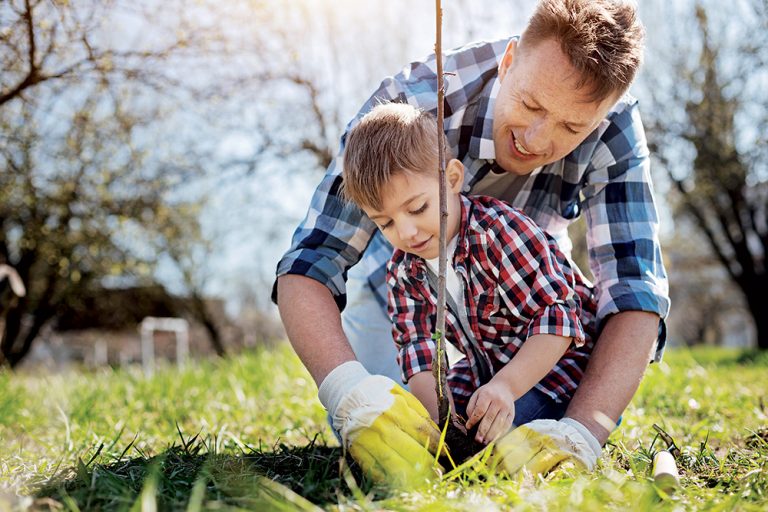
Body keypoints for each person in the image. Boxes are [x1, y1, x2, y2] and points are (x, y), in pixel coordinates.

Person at [274, 0, 669, 485]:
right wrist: (347, 390)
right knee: (393, 446)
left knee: (525, 432)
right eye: (530, 104)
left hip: (532, 301)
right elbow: (312, 260)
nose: (535, 138)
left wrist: (583, 431)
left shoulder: (615, 131)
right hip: (403, 293)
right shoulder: (409, 105)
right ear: (508, 63)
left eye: (571, 127)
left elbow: (634, 291)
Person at [341, 102, 598, 448]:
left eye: (418, 208)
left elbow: (558, 319)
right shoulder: (404, 270)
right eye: (384, 222)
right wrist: (438, 426)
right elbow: (418, 349)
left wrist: (506, 386)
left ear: (452, 179)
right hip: (486, 367)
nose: (406, 232)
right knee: (427, 428)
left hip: (557, 365)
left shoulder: (500, 233)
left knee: (495, 439)